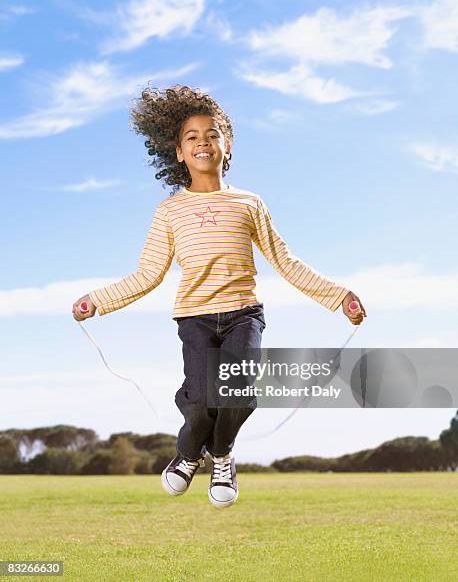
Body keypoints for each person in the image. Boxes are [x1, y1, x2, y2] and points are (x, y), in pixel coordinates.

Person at [72, 84, 366, 509]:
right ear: (177, 152)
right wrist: (96, 301)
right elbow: (148, 273)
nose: (202, 142)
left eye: (212, 134)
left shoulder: (250, 203)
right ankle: (190, 453)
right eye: (192, 137)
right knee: (200, 398)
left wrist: (340, 297)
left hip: (244, 314)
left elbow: (285, 262)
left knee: (239, 392)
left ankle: (222, 454)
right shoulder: (170, 211)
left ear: (226, 145)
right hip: (195, 318)